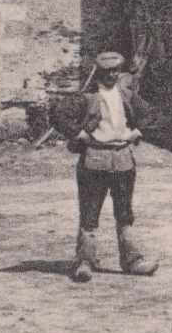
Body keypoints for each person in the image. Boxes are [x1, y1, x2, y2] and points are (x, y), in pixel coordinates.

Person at [59, 51, 159, 281]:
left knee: (125, 212)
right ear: (98, 73)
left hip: (123, 158)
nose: (111, 75)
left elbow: (152, 115)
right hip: (94, 159)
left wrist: (138, 130)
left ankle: (132, 261)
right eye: (106, 72)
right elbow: (59, 114)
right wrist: (80, 133)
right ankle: (85, 262)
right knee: (90, 211)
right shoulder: (87, 97)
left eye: (115, 71)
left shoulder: (127, 95)